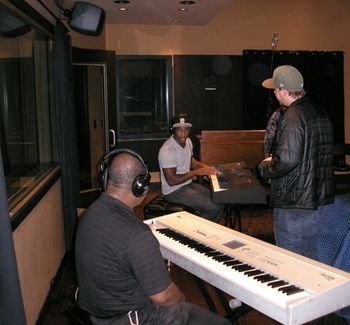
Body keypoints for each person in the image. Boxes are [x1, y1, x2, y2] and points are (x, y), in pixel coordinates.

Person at [75, 148, 231, 325]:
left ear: (105, 179)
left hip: (97, 313)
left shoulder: (89, 215)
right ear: (140, 186)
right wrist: (181, 298)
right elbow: (164, 297)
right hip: (133, 318)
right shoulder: (137, 234)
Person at [257, 65, 334, 259]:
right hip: (315, 201)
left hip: (293, 204)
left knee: (290, 262)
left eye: (275, 89)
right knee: (310, 260)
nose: (274, 93)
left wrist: (265, 167)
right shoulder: (319, 111)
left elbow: (287, 160)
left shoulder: (292, 115)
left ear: (284, 90)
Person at [158, 114, 224, 223]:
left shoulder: (188, 141)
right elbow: (172, 181)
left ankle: (206, 228)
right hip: (173, 192)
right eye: (179, 130)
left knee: (220, 199)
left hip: (187, 184)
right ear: (173, 130)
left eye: (186, 130)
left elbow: (191, 161)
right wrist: (197, 172)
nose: (183, 134)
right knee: (214, 208)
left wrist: (207, 168)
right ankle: (198, 234)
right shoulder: (167, 150)